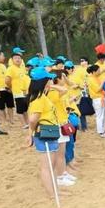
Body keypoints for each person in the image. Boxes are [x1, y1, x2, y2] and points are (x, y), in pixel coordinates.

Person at [25, 67, 73, 197]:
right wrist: (31, 134)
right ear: (43, 81)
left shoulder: (43, 95)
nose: (51, 80)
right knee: (47, 166)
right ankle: (52, 193)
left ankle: (55, 190)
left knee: (51, 165)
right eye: (48, 78)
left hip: (50, 131)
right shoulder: (38, 99)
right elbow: (32, 119)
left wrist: (51, 87)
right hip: (44, 133)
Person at [47, 71, 77, 182]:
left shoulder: (57, 91)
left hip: (63, 122)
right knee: (59, 153)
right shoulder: (52, 92)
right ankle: (60, 176)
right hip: (58, 124)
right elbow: (64, 89)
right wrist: (51, 84)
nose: (65, 79)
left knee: (62, 152)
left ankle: (64, 173)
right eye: (63, 77)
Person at [5, 49, 30, 128]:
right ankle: (23, 124)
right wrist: (10, 87)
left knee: (25, 109)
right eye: (16, 58)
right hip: (18, 92)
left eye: (19, 58)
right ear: (12, 60)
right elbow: (7, 80)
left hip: (25, 92)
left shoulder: (22, 68)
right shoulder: (11, 68)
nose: (18, 59)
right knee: (20, 109)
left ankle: (27, 123)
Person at [86, 64, 105, 138]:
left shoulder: (95, 78)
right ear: (94, 71)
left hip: (101, 98)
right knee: (100, 116)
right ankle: (101, 131)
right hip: (97, 99)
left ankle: (103, 130)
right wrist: (103, 82)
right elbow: (97, 89)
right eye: (98, 70)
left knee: (103, 115)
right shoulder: (91, 79)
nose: (100, 71)